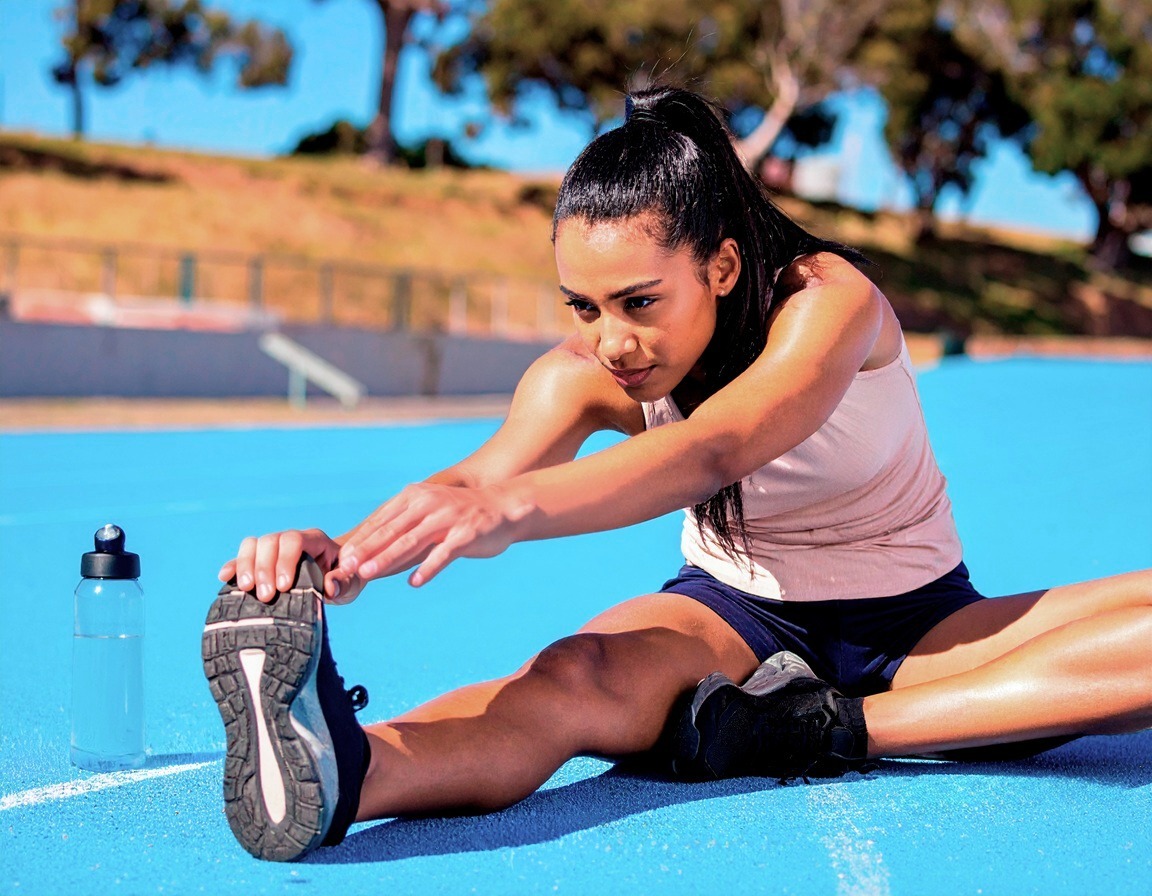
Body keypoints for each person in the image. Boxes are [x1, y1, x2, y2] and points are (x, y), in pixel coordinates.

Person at [202, 86, 1152, 862]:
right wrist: (336, 555)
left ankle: (833, 730)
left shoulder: (827, 302)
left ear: (725, 266)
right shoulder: (584, 377)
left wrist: (515, 507)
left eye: (639, 302)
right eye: (582, 306)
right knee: (574, 673)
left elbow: (716, 446)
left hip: (922, 621)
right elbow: (478, 481)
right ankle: (346, 772)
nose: (612, 340)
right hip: (731, 617)